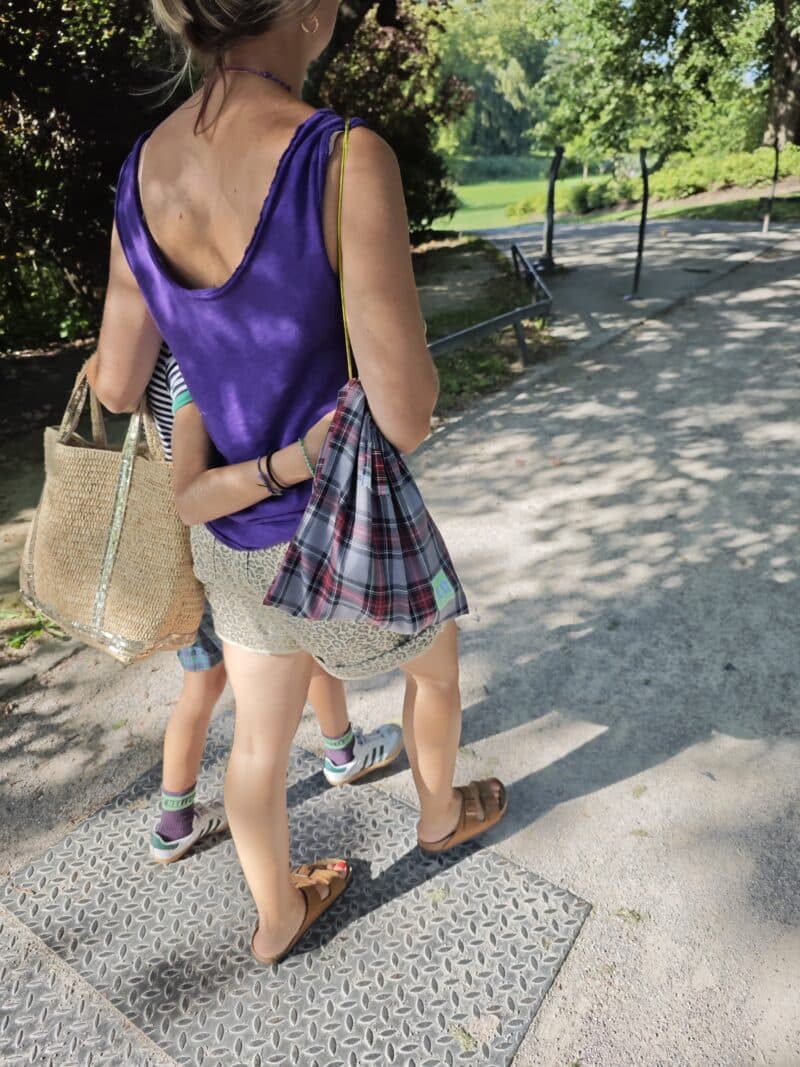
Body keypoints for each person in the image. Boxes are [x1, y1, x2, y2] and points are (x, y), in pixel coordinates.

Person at [87, 0, 507, 965]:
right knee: (434, 670)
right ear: (311, 15)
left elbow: (116, 383)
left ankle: (278, 916)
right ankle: (439, 813)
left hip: (228, 528)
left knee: (258, 743)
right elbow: (405, 415)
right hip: (342, 524)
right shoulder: (345, 156)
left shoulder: (139, 171)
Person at [145, 347, 406, 865]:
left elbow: (114, 389)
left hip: (184, 547)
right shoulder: (191, 354)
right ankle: (342, 753)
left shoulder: (147, 345)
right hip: (233, 527)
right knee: (291, 668)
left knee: (207, 686)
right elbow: (193, 489)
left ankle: (176, 821)